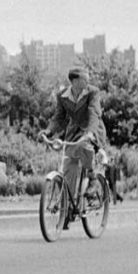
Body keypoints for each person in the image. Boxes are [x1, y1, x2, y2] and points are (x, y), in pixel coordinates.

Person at [46, 64, 103, 224]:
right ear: (74, 81)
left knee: (84, 146)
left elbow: (94, 113)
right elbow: (58, 118)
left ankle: (92, 178)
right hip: (73, 133)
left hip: (92, 130)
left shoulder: (93, 92)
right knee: (68, 168)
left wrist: (90, 132)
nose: (88, 80)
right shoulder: (62, 96)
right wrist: (49, 132)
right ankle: (68, 208)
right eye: (85, 78)